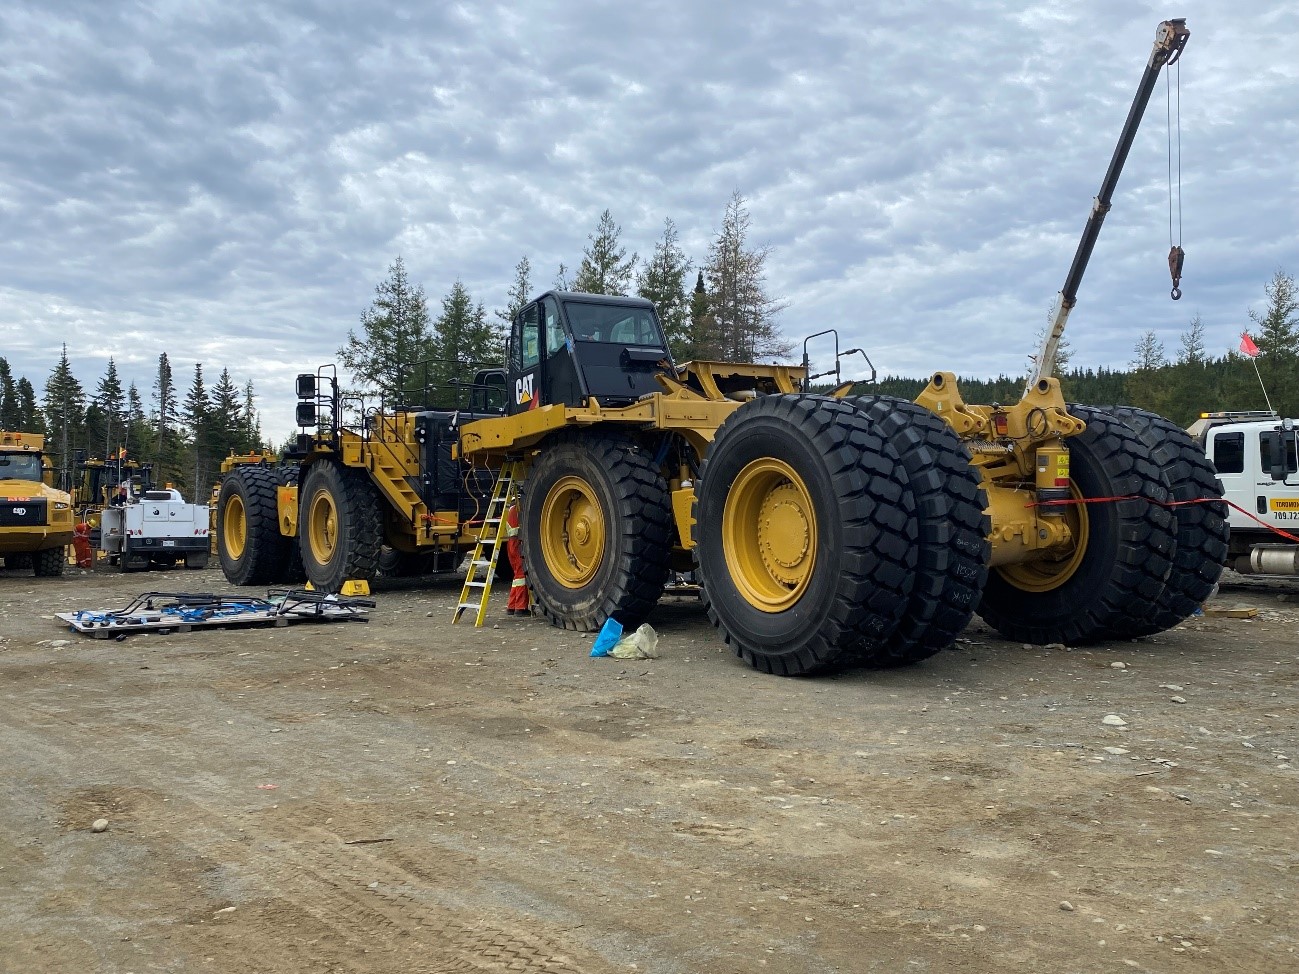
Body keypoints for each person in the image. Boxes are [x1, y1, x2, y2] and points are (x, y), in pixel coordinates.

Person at [504, 501, 530, 616]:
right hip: (517, 543)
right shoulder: (517, 509)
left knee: (516, 576)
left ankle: (511, 606)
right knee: (521, 576)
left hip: (511, 543)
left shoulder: (510, 509)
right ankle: (520, 607)